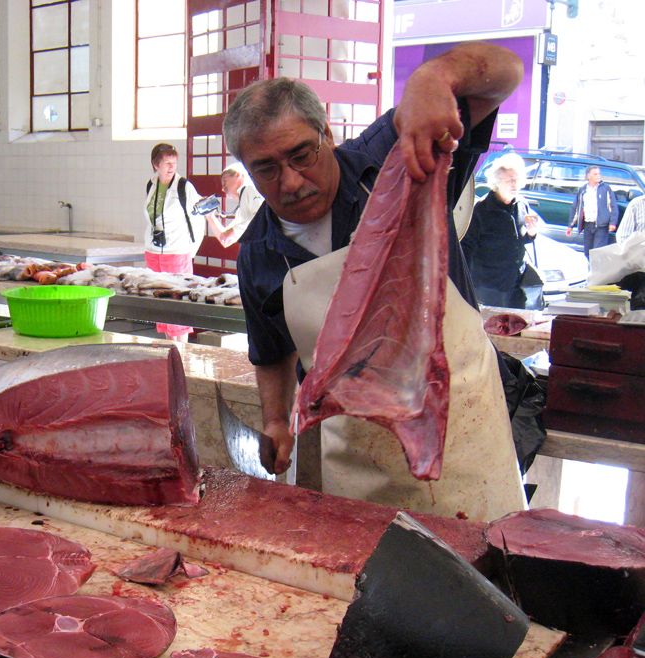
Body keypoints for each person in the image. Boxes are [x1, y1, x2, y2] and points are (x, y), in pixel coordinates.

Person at [223, 42, 526, 522]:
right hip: (358, 460)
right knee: (378, 580)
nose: (292, 182)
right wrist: (277, 420)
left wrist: (435, 77)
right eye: (266, 169)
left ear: (325, 132)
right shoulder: (258, 254)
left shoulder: (395, 153)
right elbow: (271, 351)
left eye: (301, 155)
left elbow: (508, 70)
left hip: (464, 430)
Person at [462, 152, 539, 308]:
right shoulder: (481, 209)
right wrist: (465, 286)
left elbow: (520, 239)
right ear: (496, 182)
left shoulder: (521, 204)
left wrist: (531, 233)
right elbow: (466, 247)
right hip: (488, 286)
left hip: (516, 283)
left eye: (517, 179)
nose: (514, 185)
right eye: (509, 180)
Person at [144, 143, 205, 342]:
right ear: (156, 165)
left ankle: (182, 355)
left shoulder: (184, 186)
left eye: (174, 163)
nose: (171, 167)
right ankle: (169, 352)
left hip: (177, 252)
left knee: (178, 305)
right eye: (167, 163)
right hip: (154, 251)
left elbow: (198, 219)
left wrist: (190, 251)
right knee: (161, 303)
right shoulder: (151, 185)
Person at [203, 163, 264, 248]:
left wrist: (234, 230)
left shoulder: (250, 189)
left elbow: (262, 217)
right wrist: (210, 216)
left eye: (224, 180)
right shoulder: (241, 208)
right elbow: (225, 240)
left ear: (237, 175)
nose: (223, 188)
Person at [566, 166, 618, 256]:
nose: (598, 176)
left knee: (598, 252)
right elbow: (576, 208)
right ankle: (589, 268)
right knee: (588, 251)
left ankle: (597, 270)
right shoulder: (583, 190)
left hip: (601, 225)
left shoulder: (605, 189)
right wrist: (571, 225)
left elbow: (613, 206)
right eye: (595, 174)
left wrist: (612, 222)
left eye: (599, 174)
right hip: (588, 225)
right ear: (588, 176)